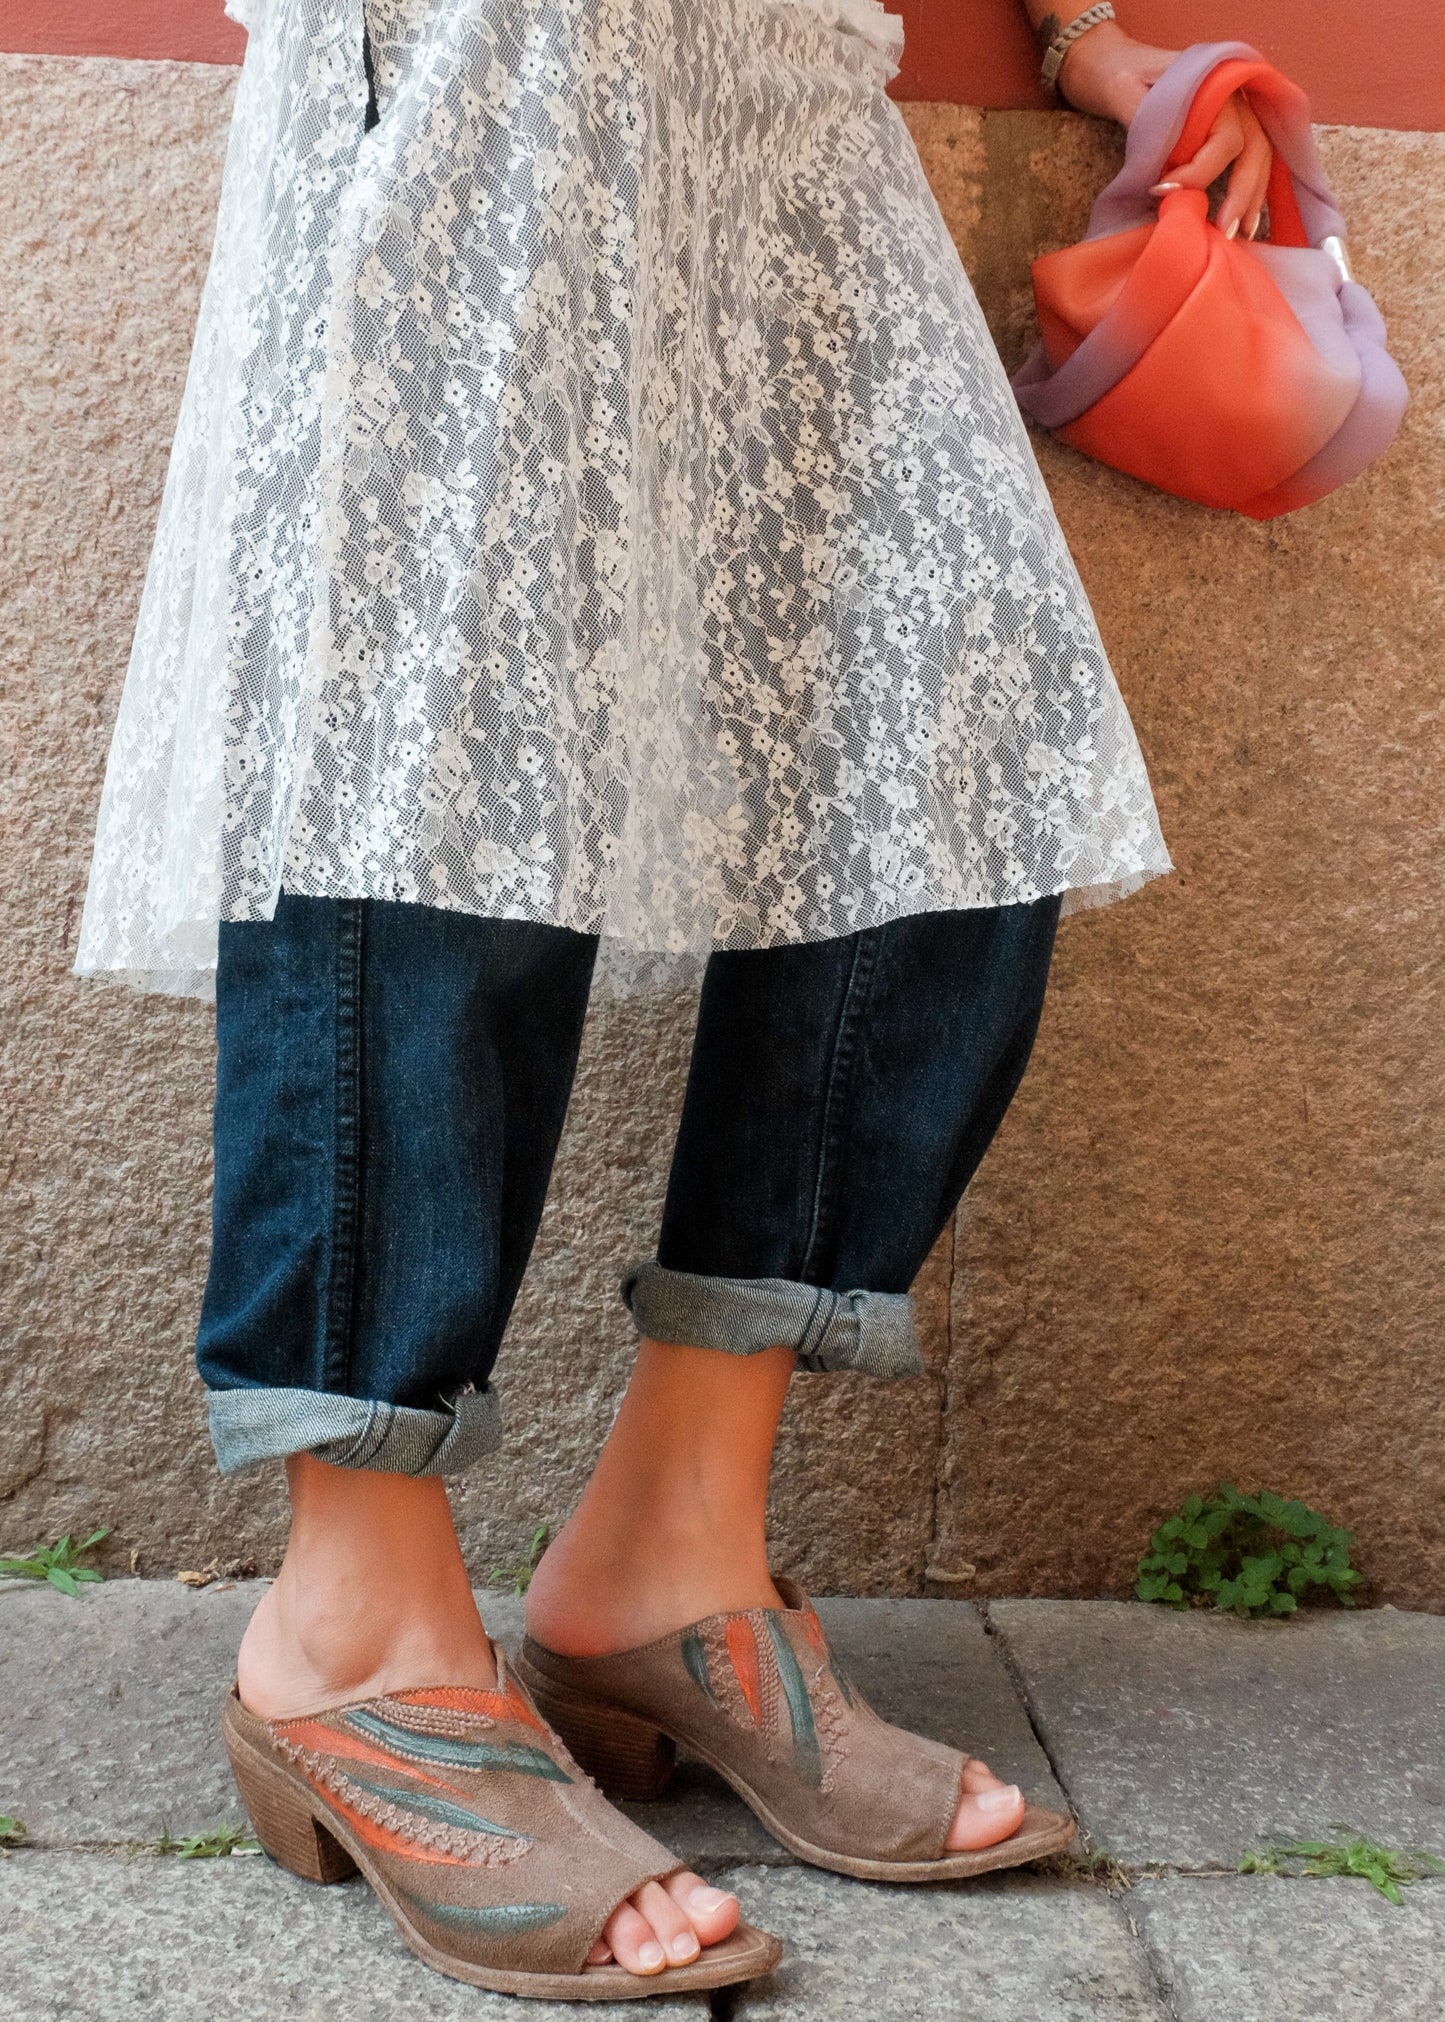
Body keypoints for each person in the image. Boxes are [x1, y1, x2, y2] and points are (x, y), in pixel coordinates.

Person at [74, 0, 1267, 1998]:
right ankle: (350, 1629)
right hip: (489, 39)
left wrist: (1084, 33)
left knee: (948, 742)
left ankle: (668, 1559)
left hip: (786, 59)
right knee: (434, 737)